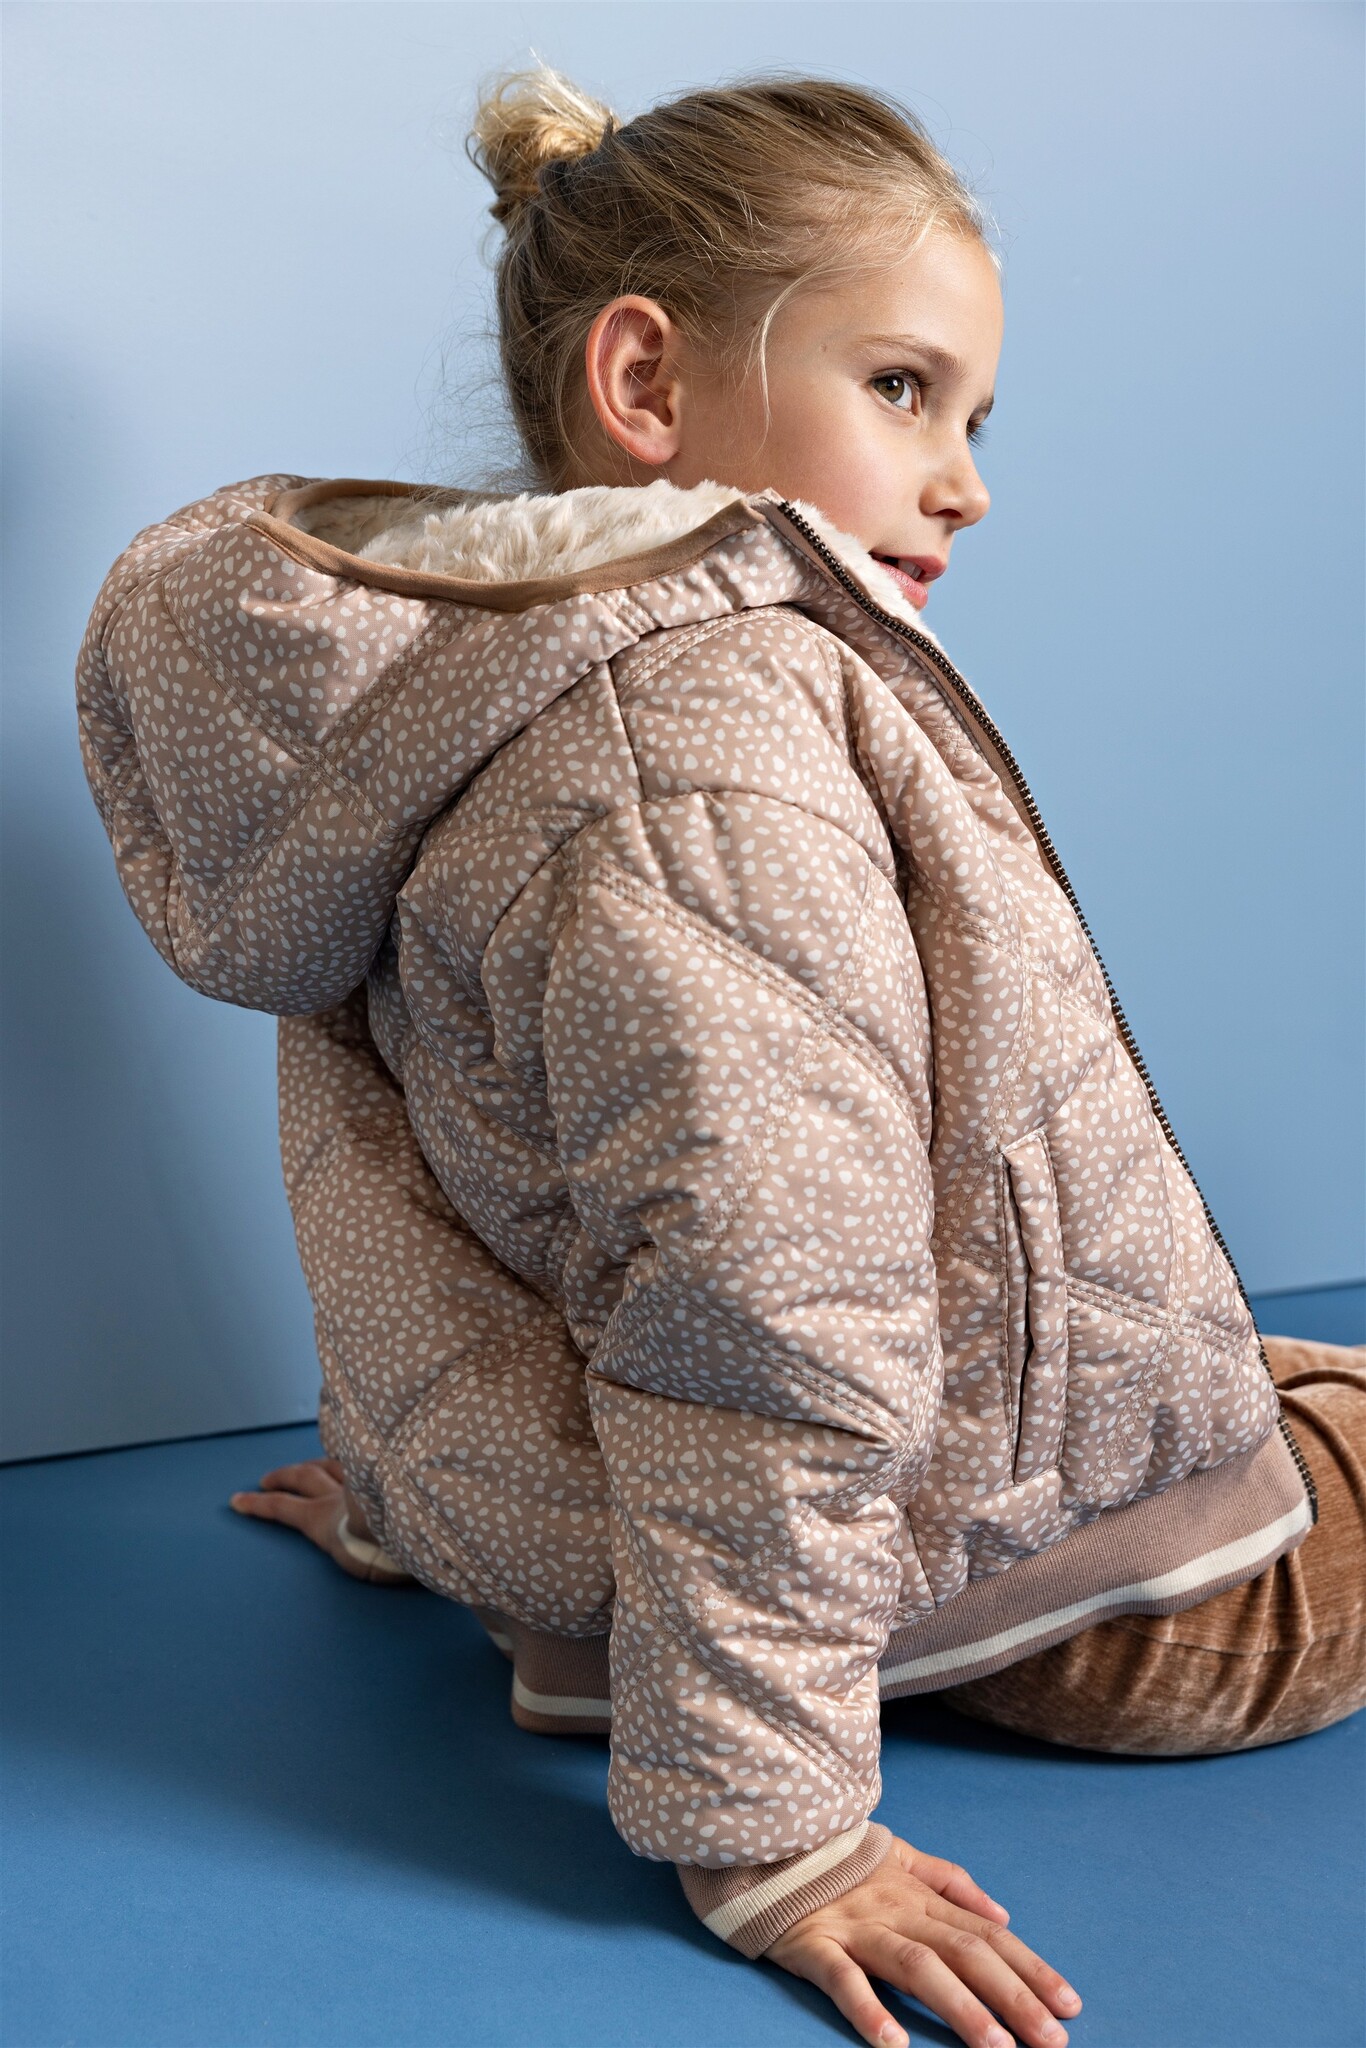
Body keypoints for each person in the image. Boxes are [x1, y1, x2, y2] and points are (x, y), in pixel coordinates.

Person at [76, 66, 1365, 2048]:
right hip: (1079, 1612)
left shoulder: (452, 701)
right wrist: (774, 1832)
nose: (963, 481)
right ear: (646, 383)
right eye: (901, 389)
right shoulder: (696, 755)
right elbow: (769, 1307)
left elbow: (461, 1180)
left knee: (1249, 1356)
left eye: (974, 415)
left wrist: (436, 1494)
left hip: (753, 1545)